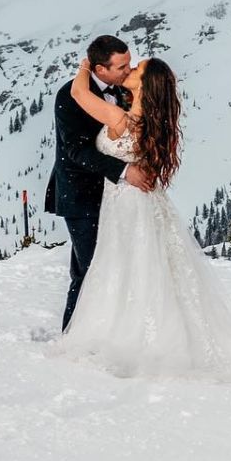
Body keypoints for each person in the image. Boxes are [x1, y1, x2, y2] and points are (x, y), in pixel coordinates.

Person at [53, 53, 231, 383]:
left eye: (135, 70)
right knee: (150, 269)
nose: (130, 69)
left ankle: (124, 336)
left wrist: (87, 64)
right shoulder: (152, 122)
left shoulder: (122, 120)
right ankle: (155, 332)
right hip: (144, 202)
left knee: (123, 269)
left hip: (126, 204)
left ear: (144, 85)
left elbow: (79, 95)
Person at [45, 35, 155, 331]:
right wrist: (124, 171)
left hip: (114, 198)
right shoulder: (71, 96)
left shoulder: (123, 92)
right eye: (122, 66)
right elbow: (76, 150)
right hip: (81, 196)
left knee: (103, 267)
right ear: (99, 69)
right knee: (91, 270)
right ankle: (73, 334)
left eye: (130, 64)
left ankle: (102, 331)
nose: (128, 70)